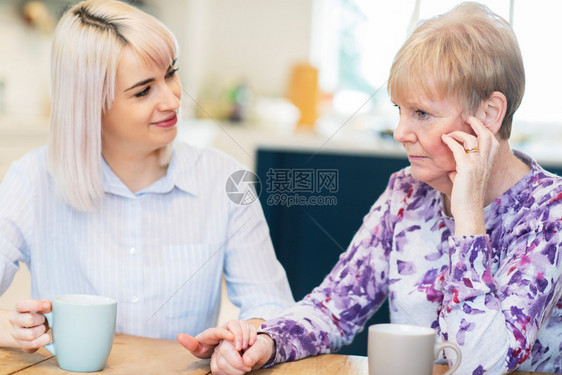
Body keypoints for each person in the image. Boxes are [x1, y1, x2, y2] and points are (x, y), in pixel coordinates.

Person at [202, 2, 562, 374]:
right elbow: (333, 308)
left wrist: (468, 214)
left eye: (421, 113)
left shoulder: (550, 212)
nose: (400, 132)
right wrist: (266, 341)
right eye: (399, 110)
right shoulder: (406, 193)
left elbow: (481, 364)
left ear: (488, 115)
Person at [0, 0, 294, 354]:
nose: (172, 100)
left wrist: (248, 335)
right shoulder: (32, 180)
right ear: (91, 105)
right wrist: (11, 329)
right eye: (143, 91)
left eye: (171, 73)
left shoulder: (224, 180)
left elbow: (273, 310)